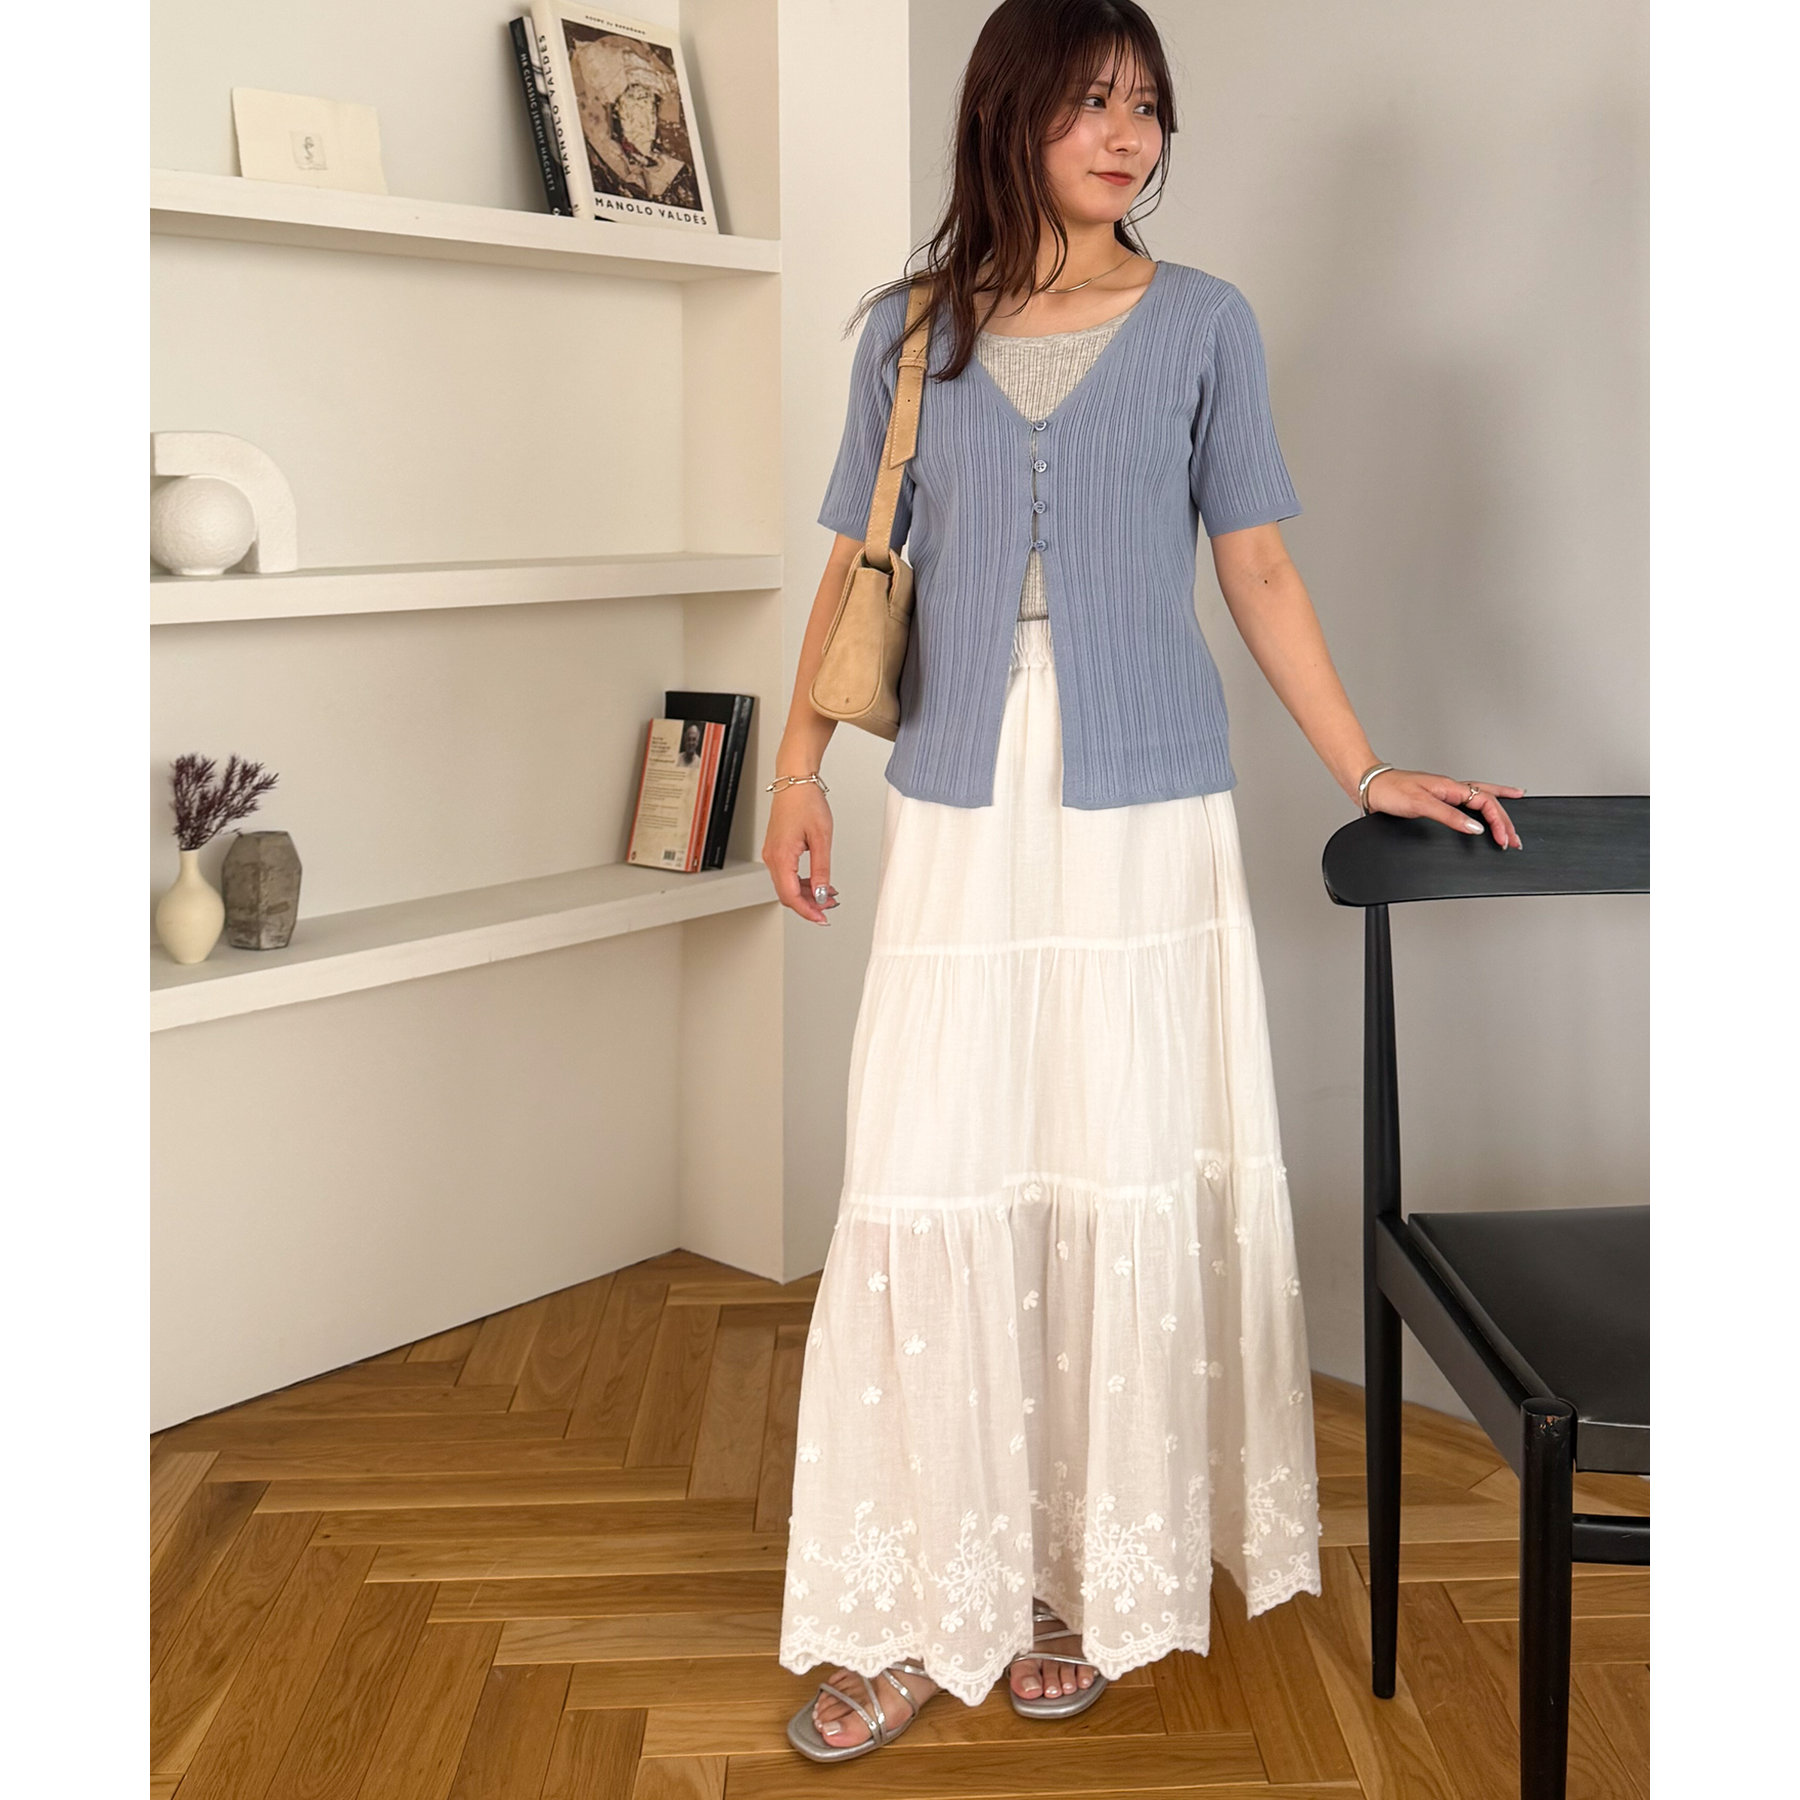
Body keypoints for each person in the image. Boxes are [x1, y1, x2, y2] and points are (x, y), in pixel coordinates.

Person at [762, 0, 1522, 1765]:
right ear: (1010, 114)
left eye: (1147, 107)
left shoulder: (1204, 323)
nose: (1126, 135)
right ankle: (911, 1604)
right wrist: (797, 772)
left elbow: (1257, 569)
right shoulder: (907, 331)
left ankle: (1065, 1583)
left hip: (1144, 807)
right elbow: (857, 560)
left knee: (1109, 1163)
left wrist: (1367, 768)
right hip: (961, 799)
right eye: (1091, 101)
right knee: (934, 1170)